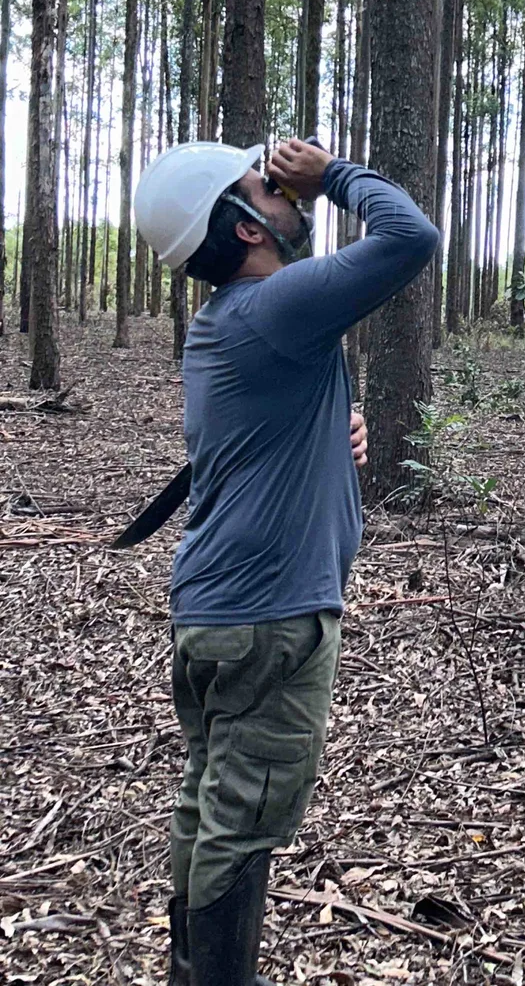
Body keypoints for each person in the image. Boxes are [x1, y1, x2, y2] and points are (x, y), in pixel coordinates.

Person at [133, 137, 439, 986]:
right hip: (268, 617)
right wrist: (332, 174)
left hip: (217, 610)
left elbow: (253, 438)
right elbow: (411, 238)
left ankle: (195, 972)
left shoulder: (229, 324)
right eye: (265, 185)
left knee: (209, 797)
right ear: (242, 228)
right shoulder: (273, 308)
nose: (284, 189)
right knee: (244, 814)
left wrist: (332, 431)